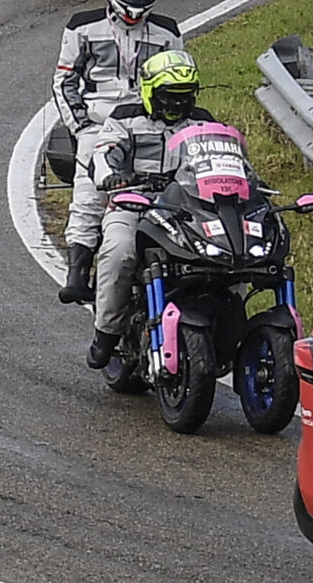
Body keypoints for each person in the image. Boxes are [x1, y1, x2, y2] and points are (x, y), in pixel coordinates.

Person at [54, 0, 185, 308]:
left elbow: (178, 76)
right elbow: (64, 80)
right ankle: (78, 272)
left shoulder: (168, 32)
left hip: (151, 120)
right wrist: (81, 125)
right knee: (89, 187)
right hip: (98, 122)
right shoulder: (81, 26)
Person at [84, 48, 216, 366]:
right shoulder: (124, 117)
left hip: (186, 210)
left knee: (228, 257)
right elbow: (103, 154)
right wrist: (113, 177)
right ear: (150, 91)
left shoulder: (203, 122)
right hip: (134, 204)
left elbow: (224, 157)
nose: (177, 103)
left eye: (185, 95)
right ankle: (106, 332)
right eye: (169, 95)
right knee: (119, 251)